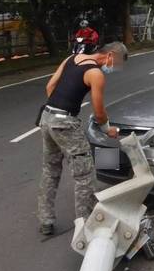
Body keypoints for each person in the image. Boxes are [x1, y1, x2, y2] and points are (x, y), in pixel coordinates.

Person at [37, 42, 128, 235]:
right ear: (110, 55)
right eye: (117, 63)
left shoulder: (72, 59)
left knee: (50, 169)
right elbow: (99, 111)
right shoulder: (96, 74)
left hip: (46, 118)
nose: (114, 67)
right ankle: (87, 226)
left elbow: (50, 86)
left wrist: (57, 109)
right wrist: (107, 129)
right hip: (65, 124)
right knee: (84, 175)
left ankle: (46, 220)